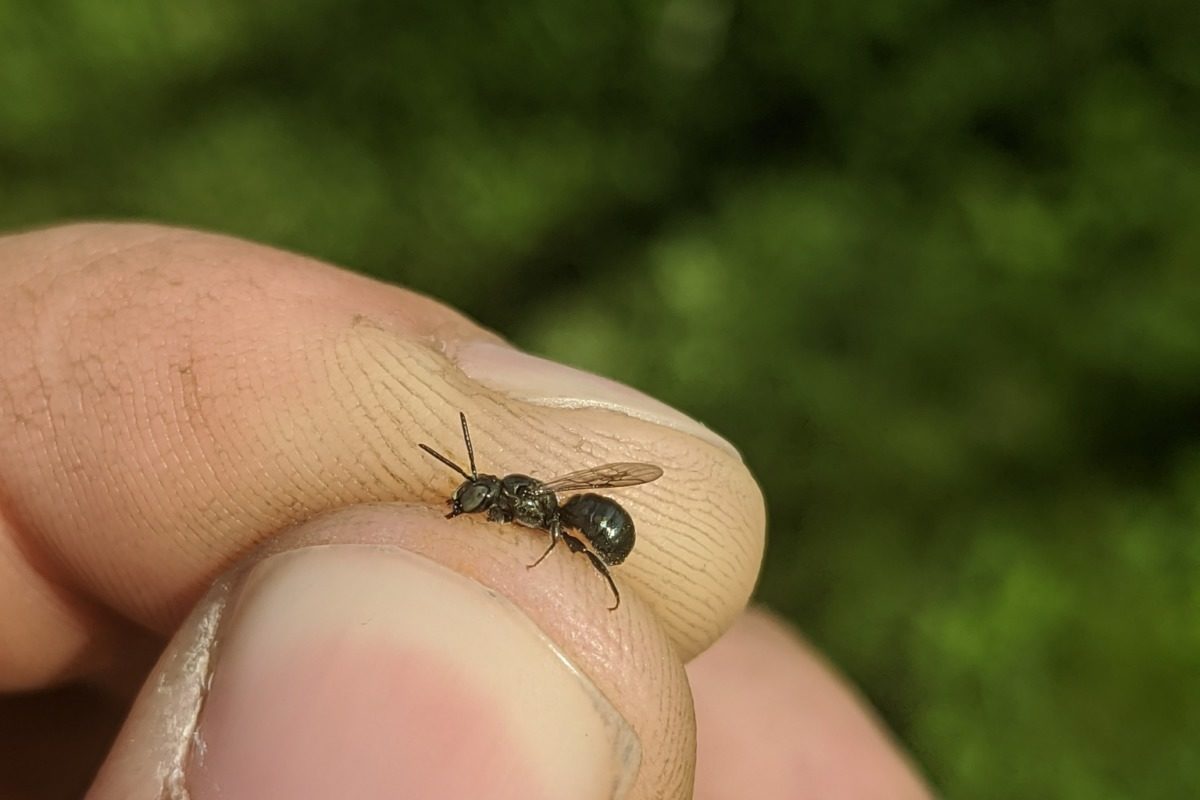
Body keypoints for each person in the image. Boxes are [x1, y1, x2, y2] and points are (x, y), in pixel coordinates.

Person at [0, 224, 931, 799]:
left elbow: (559, 524)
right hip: (581, 518)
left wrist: (582, 556)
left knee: (567, 552)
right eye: (479, 499)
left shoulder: (545, 517)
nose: (478, 506)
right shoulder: (513, 503)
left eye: (478, 497)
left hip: (594, 524)